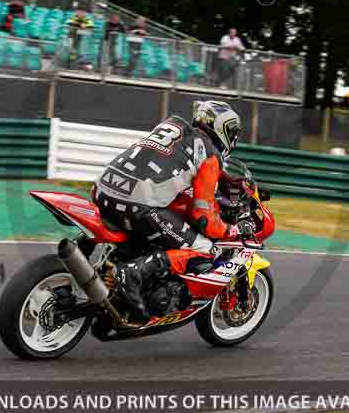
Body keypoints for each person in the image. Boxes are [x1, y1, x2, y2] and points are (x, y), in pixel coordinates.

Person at [92, 100, 252, 323]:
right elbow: (203, 217)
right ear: (223, 130)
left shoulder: (172, 127)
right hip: (136, 204)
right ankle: (133, 273)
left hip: (102, 190)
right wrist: (231, 230)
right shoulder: (209, 154)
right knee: (207, 251)